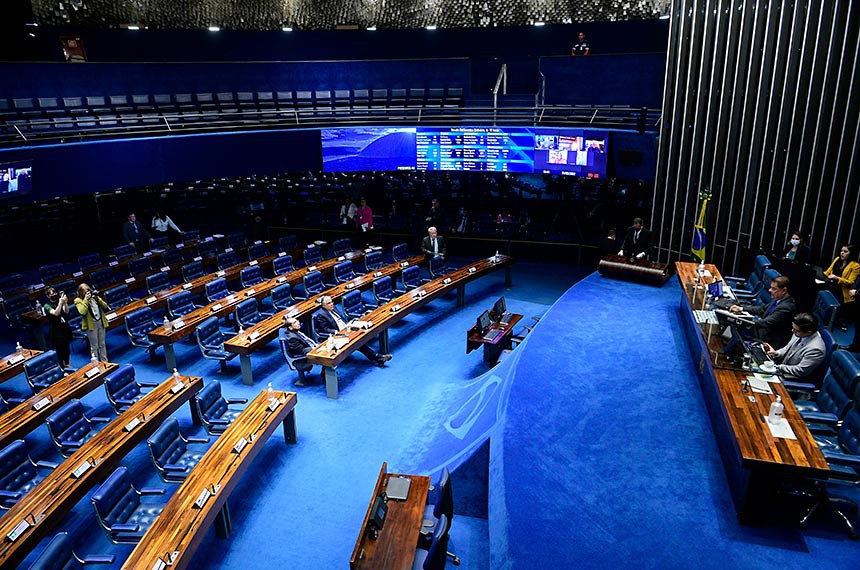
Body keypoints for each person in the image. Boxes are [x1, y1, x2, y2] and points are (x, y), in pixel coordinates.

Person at [312, 296, 392, 366]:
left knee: (360, 336)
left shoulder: (333, 308)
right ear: (323, 305)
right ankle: (378, 357)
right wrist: (337, 332)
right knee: (358, 342)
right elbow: (325, 329)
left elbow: (341, 319)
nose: (332, 304)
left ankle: (378, 357)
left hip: (346, 329)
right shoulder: (321, 315)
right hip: (338, 335)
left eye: (332, 302)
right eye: (329, 303)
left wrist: (349, 325)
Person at [730, 275, 797, 348]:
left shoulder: (787, 308)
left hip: (769, 340)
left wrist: (745, 320)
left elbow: (766, 322)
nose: (770, 290)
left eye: (774, 289)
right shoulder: (778, 299)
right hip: (762, 331)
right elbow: (762, 309)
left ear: (784, 290)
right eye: (771, 287)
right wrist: (741, 308)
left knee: (736, 326)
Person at [761, 313, 826, 382]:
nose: (792, 331)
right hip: (781, 370)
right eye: (793, 328)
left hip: (792, 378)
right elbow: (787, 348)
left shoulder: (815, 349)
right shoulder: (799, 333)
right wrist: (777, 353)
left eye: (796, 330)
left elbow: (800, 371)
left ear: (808, 332)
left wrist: (778, 367)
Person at [74, 283, 109, 362]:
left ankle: (105, 361)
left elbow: (105, 306)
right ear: (81, 292)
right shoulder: (78, 300)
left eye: (88, 290)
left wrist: (97, 299)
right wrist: (86, 300)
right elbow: (82, 312)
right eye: (85, 291)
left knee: (102, 344)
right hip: (91, 325)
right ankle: (96, 363)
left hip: (100, 322)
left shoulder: (94, 297)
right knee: (94, 346)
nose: (87, 293)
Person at [282, 317, 318, 386]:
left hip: (309, 347)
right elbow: (300, 351)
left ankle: (324, 372)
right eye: (295, 322)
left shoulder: (296, 331)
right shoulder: (292, 338)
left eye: (297, 321)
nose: (298, 323)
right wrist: (314, 349)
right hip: (301, 356)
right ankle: (325, 374)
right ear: (290, 327)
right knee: (325, 355)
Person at [44, 287, 73, 368]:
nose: (54, 295)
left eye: (55, 293)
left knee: (66, 347)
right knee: (60, 349)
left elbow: (66, 311)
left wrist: (65, 303)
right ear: (48, 296)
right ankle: (62, 367)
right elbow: (56, 313)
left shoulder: (59, 301)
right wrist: (60, 303)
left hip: (64, 327)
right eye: (51, 294)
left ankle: (67, 363)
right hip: (56, 330)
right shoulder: (47, 305)